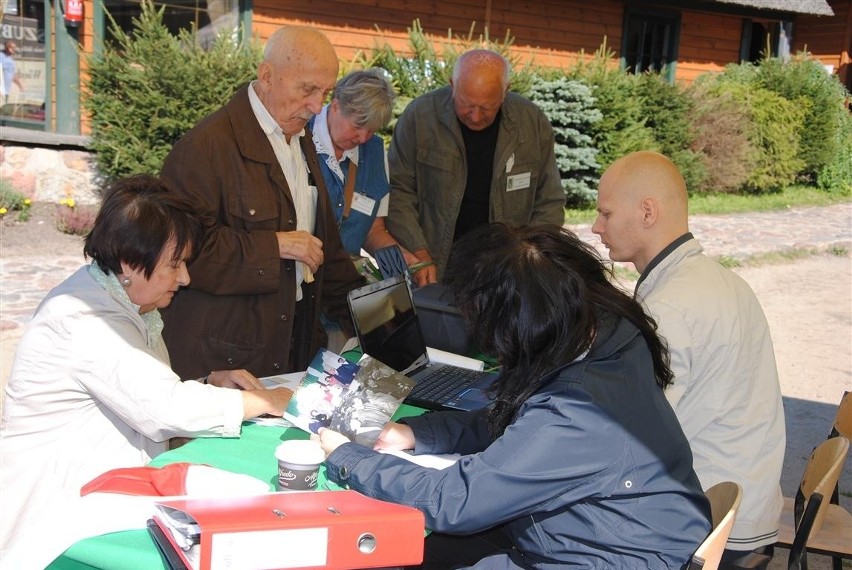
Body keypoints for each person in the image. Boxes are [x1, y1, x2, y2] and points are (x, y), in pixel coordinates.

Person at [315, 223, 711, 569]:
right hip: (612, 531)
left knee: (399, 551)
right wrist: (420, 434)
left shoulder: (576, 413)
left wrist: (348, 458)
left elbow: (454, 502)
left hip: (603, 554)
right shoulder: (610, 336)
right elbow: (521, 420)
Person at [0, 175, 293, 567]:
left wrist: (209, 385)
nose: (185, 277)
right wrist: (264, 400)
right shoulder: (84, 318)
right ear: (129, 263)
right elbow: (162, 409)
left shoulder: (118, 300)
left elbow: (134, 392)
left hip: (96, 498)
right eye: (175, 264)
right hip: (53, 518)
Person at [592, 150, 786, 567]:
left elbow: (631, 438)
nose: (596, 227)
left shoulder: (672, 305)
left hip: (711, 527)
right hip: (742, 505)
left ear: (647, 212)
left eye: (605, 214)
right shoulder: (716, 279)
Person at [159, 26, 365, 380]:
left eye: (325, 92)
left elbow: (326, 253)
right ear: (267, 75)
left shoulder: (299, 141)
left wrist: (381, 320)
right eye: (307, 90)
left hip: (288, 350)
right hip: (222, 362)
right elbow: (180, 253)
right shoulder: (204, 148)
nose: (317, 107)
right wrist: (275, 246)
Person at [387, 49, 566, 287]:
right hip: (434, 262)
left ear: (505, 91)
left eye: (487, 107)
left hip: (506, 267)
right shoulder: (419, 118)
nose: (476, 116)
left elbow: (550, 202)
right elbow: (398, 192)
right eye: (467, 105)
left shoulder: (531, 123)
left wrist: (527, 258)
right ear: (452, 85)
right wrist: (418, 253)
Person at [308, 68, 417, 263]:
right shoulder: (300, 137)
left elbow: (373, 231)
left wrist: (404, 259)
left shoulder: (375, 152)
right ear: (335, 106)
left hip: (342, 283)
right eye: (357, 126)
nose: (363, 138)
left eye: (372, 131)